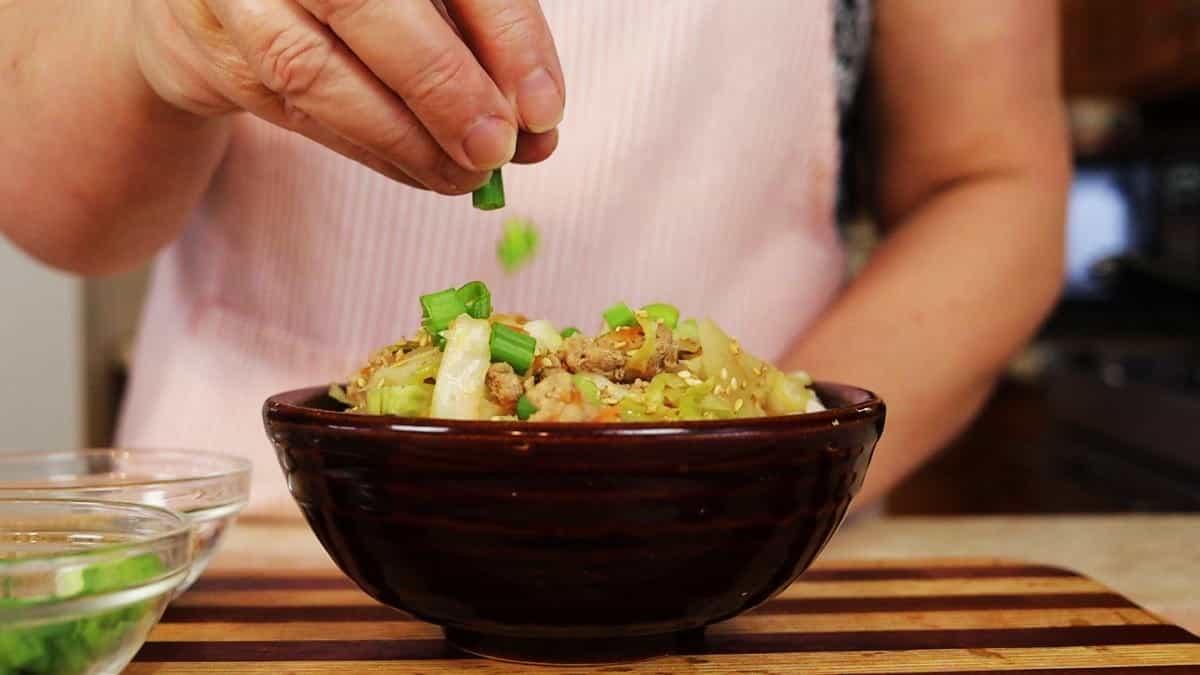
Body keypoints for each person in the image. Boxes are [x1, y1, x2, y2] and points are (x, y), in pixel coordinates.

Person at [1, 1, 1069, 519]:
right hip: (259, 546)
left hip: (752, 544)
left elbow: (992, 181)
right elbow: (55, 211)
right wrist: (159, 39)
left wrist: (759, 463)